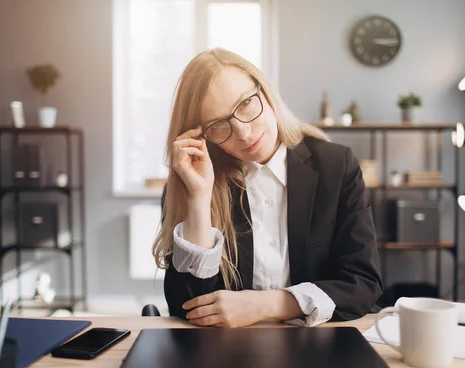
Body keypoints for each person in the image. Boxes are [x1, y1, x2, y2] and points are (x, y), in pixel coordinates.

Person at [152, 48, 382, 328]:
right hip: (226, 351)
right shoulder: (194, 183)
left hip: (316, 342)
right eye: (218, 124)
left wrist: (267, 305)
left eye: (246, 103)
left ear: (265, 92)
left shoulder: (336, 165)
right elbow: (186, 308)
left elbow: (362, 284)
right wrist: (199, 198)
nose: (244, 132)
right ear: (203, 137)